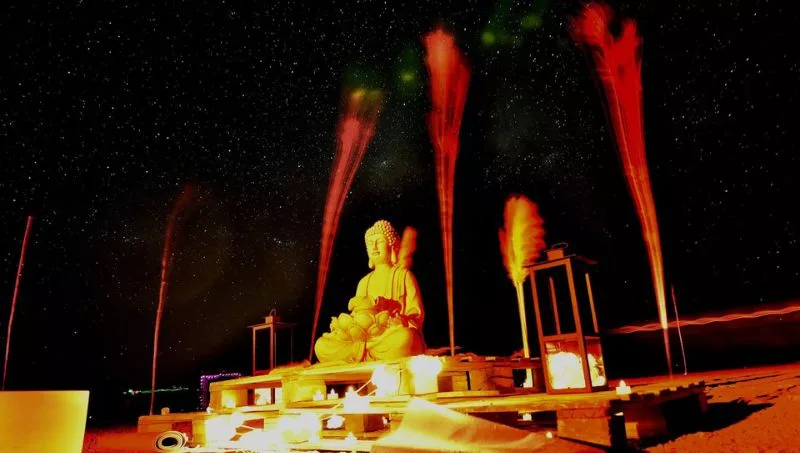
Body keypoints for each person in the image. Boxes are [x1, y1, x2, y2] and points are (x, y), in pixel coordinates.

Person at [315, 220, 426, 362]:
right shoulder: (364, 282)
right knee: (321, 345)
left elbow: (416, 314)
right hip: (367, 336)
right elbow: (358, 318)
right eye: (370, 244)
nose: (374, 247)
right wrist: (342, 327)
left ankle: (360, 354)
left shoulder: (403, 276)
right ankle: (366, 351)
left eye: (379, 242)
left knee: (405, 338)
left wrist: (402, 319)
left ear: (392, 246)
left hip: (389, 334)